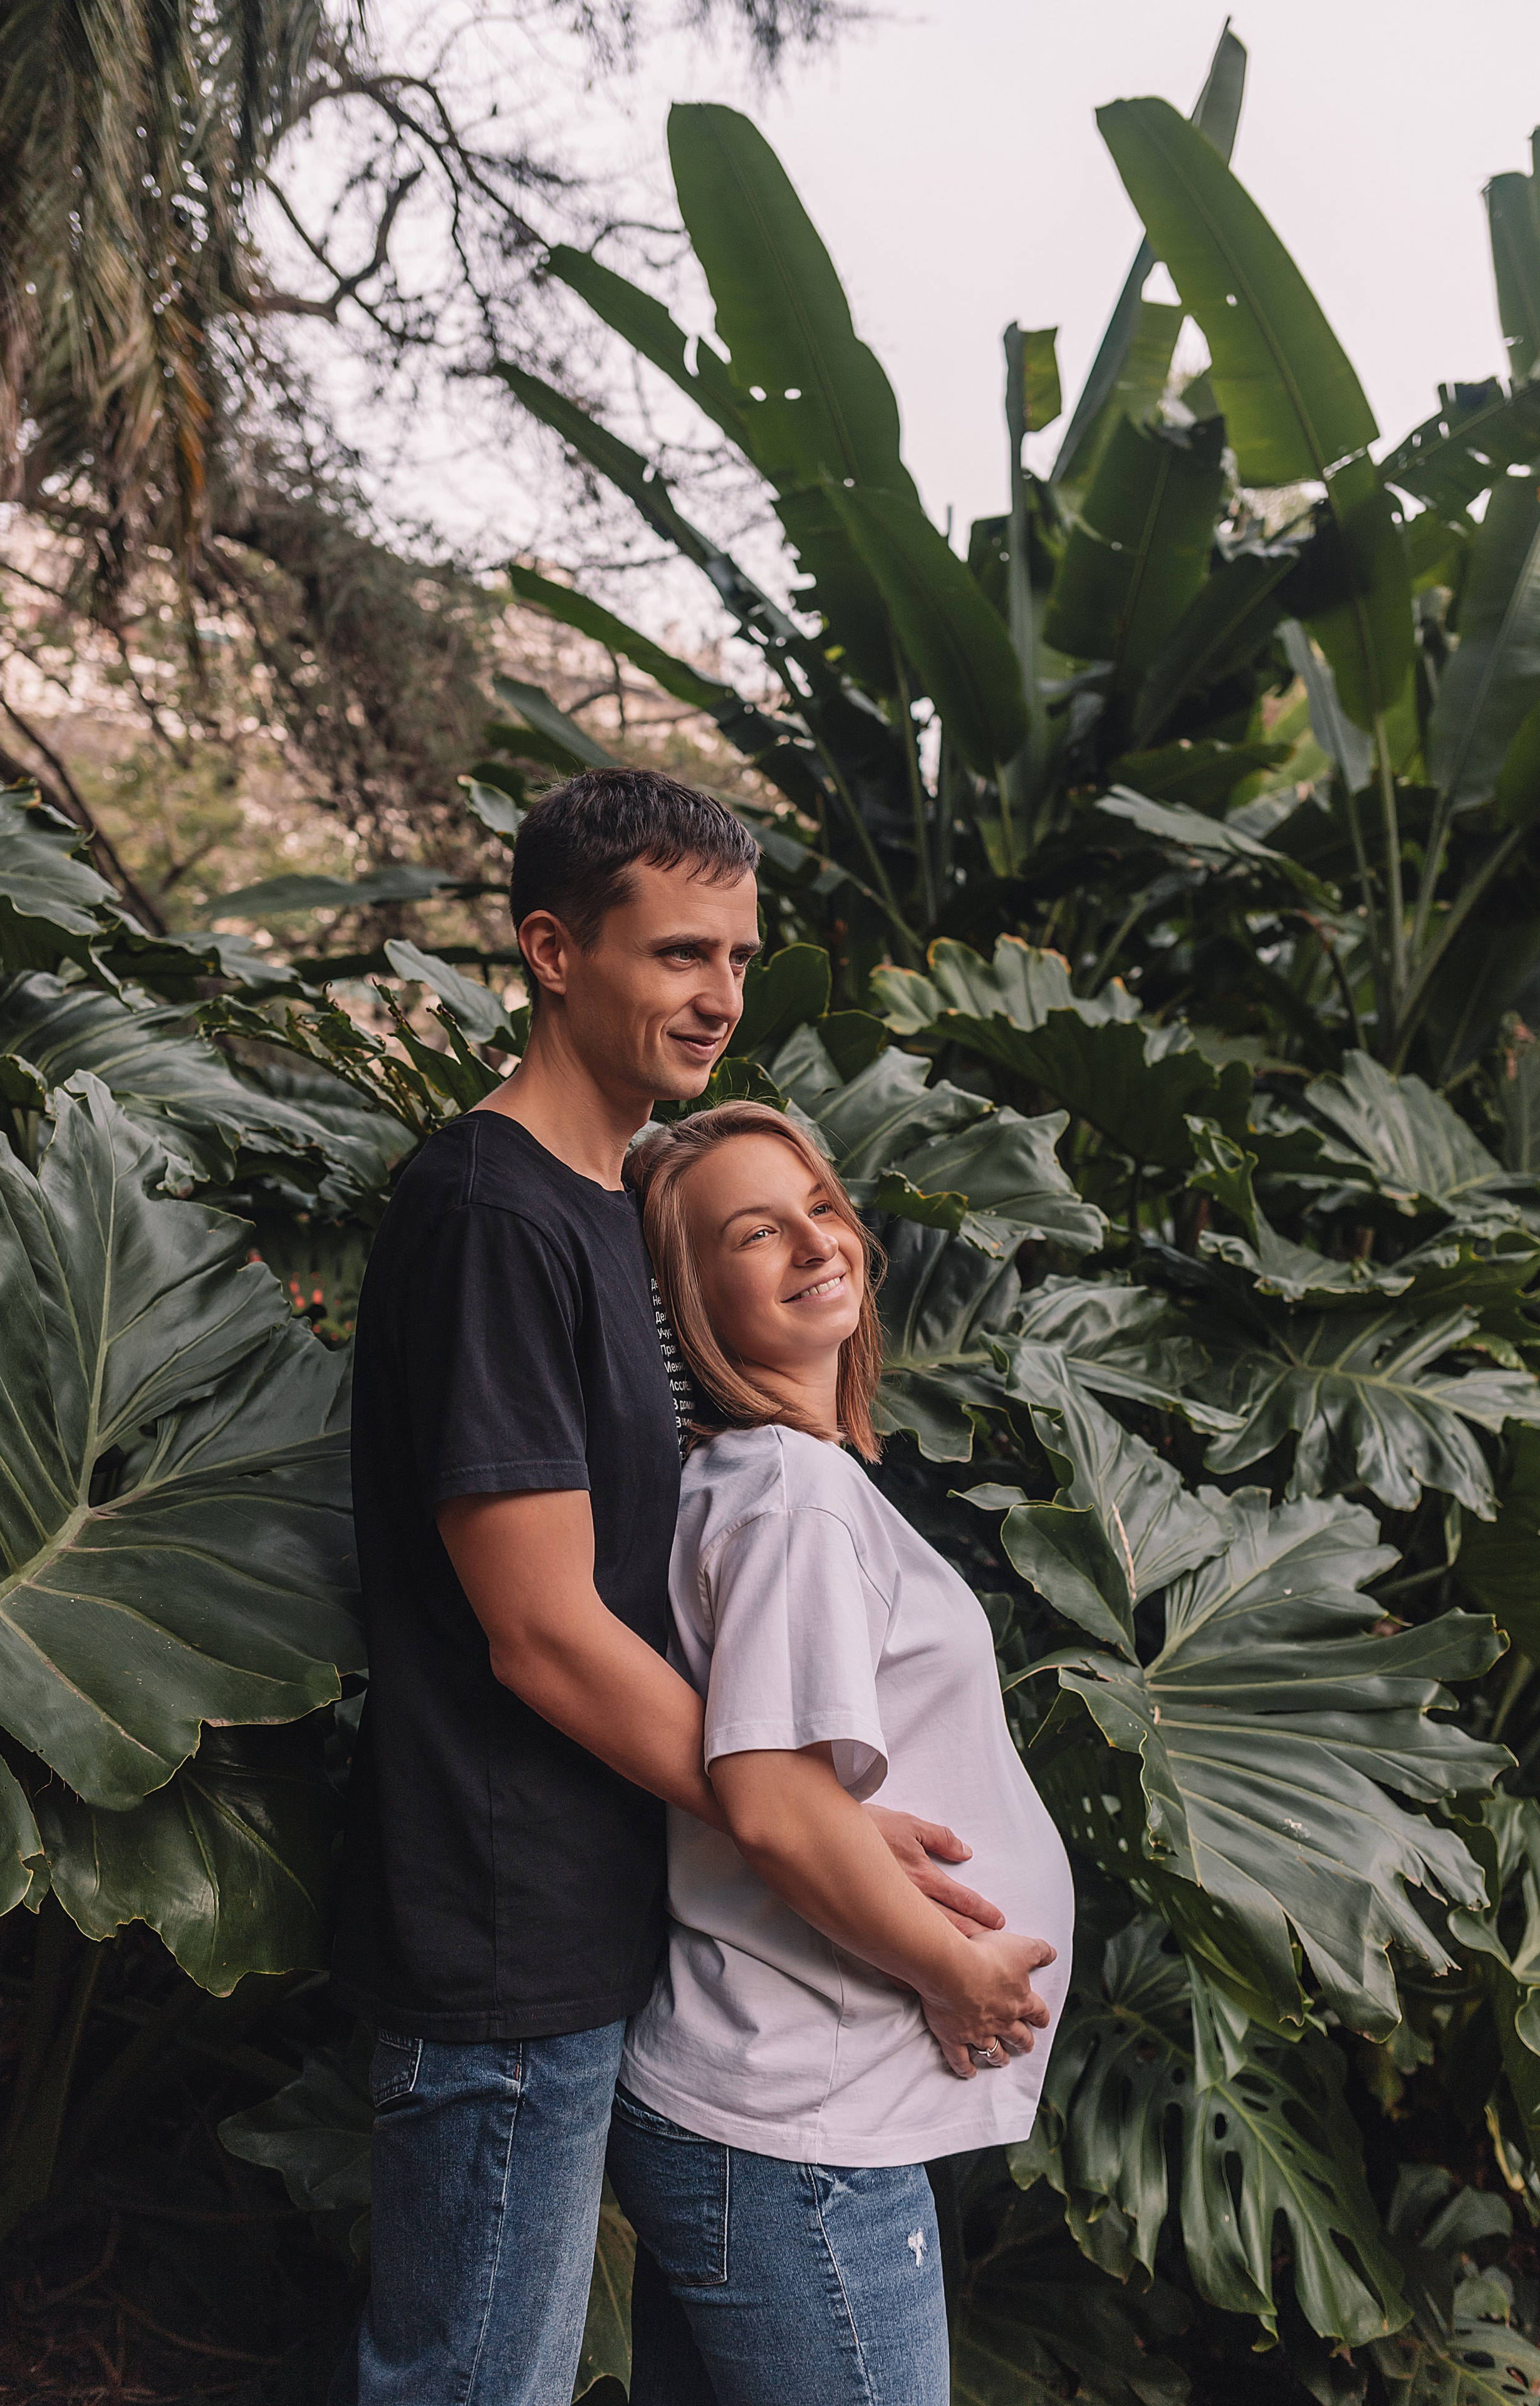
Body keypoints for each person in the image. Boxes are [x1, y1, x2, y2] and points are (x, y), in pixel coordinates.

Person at [328, 768, 1037, 2406]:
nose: (720, 995)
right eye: (677, 956)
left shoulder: (599, 1208)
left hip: (588, 1933)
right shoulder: (495, 1210)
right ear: (554, 952)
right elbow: (544, 1631)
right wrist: (806, 1822)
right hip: (500, 1941)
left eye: (739, 956)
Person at [610, 1100, 1074, 2406]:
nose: (815, 1242)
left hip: (773, 2115)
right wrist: (955, 1972)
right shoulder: (790, 1496)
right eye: (754, 1233)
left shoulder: (760, 1480)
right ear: (689, 1302)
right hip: (798, 2130)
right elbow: (770, 1805)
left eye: (819, 1206)